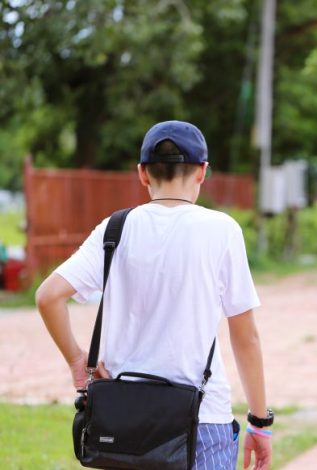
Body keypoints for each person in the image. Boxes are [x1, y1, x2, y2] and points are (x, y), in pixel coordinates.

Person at [35, 120, 273, 470]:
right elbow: (245, 336)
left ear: (142, 174)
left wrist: (76, 359)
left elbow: (48, 296)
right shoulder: (221, 230)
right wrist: (259, 421)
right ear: (202, 172)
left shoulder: (114, 229)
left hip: (124, 423)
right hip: (202, 421)